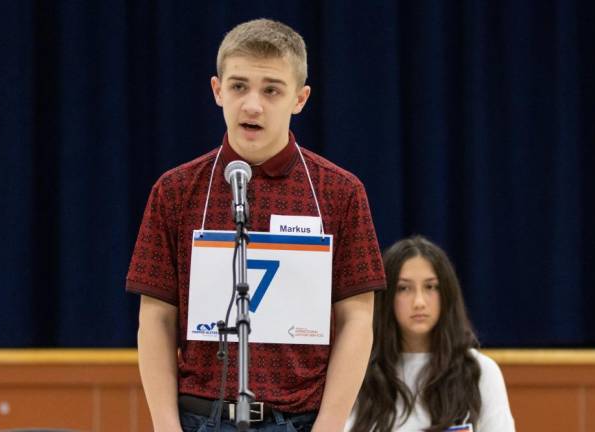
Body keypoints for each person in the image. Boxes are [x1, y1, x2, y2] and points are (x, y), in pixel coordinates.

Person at [126, 19, 386, 432]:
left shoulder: (340, 192)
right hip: (201, 417)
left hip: (301, 420)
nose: (252, 105)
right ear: (217, 91)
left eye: (271, 90)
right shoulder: (175, 191)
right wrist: (165, 425)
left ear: (299, 99)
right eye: (239, 86)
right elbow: (156, 318)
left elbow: (356, 317)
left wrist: (330, 424)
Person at [347, 236, 515, 432]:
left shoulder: (480, 371)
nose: (419, 302)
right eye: (404, 288)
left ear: (446, 293)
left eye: (430, 287)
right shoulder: (359, 372)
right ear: (387, 296)